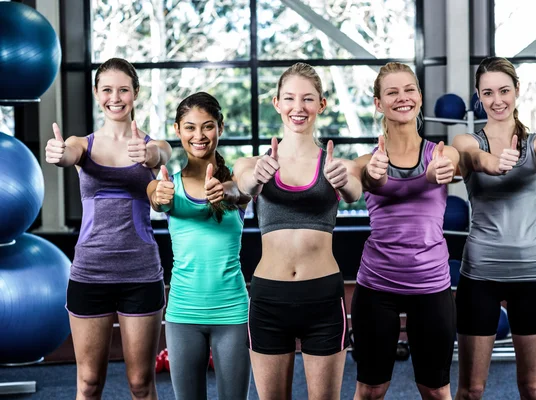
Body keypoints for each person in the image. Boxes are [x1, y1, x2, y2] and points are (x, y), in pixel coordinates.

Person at [44, 57, 172, 400]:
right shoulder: (82, 143)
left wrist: (150, 154)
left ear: (136, 93)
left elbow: (162, 154)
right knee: (87, 384)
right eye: (107, 90)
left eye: (123, 90)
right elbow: (67, 153)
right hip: (89, 274)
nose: (115, 97)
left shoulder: (151, 144)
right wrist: (58, 152)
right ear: (96, 93)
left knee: (141, 384)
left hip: (141, 275)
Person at [234, 62, 363, 400]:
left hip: (323, 298)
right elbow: (244, 185)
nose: (298, 107)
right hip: (269, 299)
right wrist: (256, 177)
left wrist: (343, 182)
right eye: (289, 98)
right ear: (276, 103)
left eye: (308, 99)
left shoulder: (337, 165)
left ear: (321, 105)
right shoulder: (252, 164)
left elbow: (354, 192)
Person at [452, 56, 536, 400]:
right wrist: (491, 163)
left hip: (532, 271)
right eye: (488, 93)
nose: (497, 100)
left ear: (517, 91)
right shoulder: (466, 141)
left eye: (504, 90)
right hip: (481, 273)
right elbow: (469, 158)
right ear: (478, 96)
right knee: (471, 389)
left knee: (533, 387)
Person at [351, 62, 460, 400]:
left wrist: (436, 173)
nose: (402, 98)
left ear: (420, 97)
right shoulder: (363, 161)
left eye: (409, 90)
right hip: (376, 284)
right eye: (392, 92)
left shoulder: (443, 154)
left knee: (436, 390)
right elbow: (360, 185)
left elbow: (450, 167)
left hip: (431, 284)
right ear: (378, 102)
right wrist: (367, 176)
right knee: (371, 389)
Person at [147, 92, 251, 400]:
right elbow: (154, 194)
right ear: (177, 130)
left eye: (207, 126)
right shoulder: (167, 182)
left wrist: (227, 191)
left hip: (232, 313)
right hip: (183, 314)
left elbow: (240, 191)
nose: (199, 135)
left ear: (220, 127)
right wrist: (159, 195)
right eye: (190, 127)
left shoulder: (237, 181)